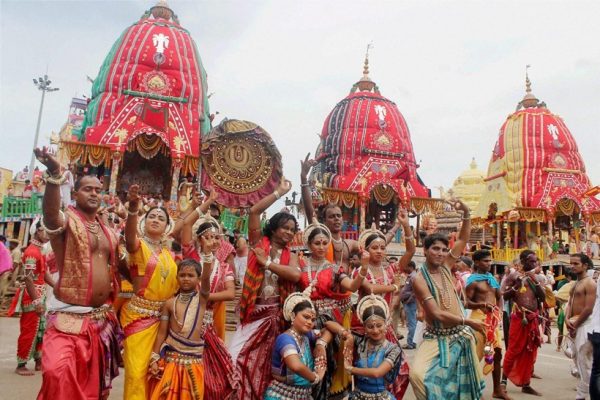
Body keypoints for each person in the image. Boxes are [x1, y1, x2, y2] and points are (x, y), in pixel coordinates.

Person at [33, 147, 122, 399]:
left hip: (101, 319)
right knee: (56, 374)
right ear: (75, 193)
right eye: (87, 189)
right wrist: (54, 174)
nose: (94, 193)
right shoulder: (68, 222)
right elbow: (50, 216)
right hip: (68, 318)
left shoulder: (108, 230)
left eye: (97, 190)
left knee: (91, 388)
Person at [229, 178, 301, 400]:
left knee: (268, 364)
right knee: (236, 357)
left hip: (276, 317)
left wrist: (267, 264)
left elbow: (296, 275)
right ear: (274, 228)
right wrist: (278, 192)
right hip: (253, 314)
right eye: (284, 228)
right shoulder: (259, 243)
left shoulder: (292, 255)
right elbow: (254, 212)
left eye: (292, 229)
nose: (289, 233)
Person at [409, 199, 486, 400]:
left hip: (460, 335)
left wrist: (467, 212)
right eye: (435, 249)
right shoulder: (419, 278)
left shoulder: (446, 266)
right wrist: (468, 321)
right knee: (417, 375)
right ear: (425, 250)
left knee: (462, 385)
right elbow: (434, 313)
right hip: (436, 336)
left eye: (444, 250)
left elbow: (462, 240)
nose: (441, 253)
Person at [119, 184, 179, 400]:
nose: (155, 220)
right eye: (152, 216)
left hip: (164, 321)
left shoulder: (170, 255)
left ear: (166, 226)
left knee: (157, 372)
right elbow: (129, 238)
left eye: (160, 218)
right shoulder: (138, 246)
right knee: (136, 373)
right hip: (138, 318)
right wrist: (134, 210)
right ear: (144, 223)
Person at [297, 220, 367, 399]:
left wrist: (364, 268)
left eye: (324, 243)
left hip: (330, 317)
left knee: (324, 351)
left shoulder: (335, 269)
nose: (321, 247)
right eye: (316, 243)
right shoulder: (301, 267)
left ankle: (324, 392)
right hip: (306, 317)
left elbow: (351, 285)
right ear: (309, 244)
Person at [181, 193, 238, 400]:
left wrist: (205, 296)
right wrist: (207, 202)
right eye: (209, 236)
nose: (214, 241)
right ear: (198, 238)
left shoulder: (223, 267)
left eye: (217, 237)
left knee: (210, 375)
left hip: (207, 324)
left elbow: (231, 293)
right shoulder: (191, 256)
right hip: (183, 322)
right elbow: (187, 223)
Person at [300, 154, 402, 268]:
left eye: (338, 216)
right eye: (332, 216)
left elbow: (377, 243)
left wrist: (397, 225)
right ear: (324, 221)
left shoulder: (349, 244)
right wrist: (304, 179)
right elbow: (310, 213)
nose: (336, 219)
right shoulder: (322, 242)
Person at [351, 213, 414, 398]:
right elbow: (370, 288)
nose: (379, 251)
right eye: (374, 248)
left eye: (382, 248)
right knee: (365, 369)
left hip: (385, 327)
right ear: (365, 250)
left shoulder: (390, 269)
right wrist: (395, 286)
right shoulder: (360, 271)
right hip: (365, 328)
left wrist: (406, 226)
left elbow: (410, 252)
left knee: (400, 370)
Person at [148, 257, 213, 400]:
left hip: (193, 361)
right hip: (172, 359)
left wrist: (207, 256)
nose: (186, 279)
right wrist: (154, 357)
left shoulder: (201, 300)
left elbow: (207, 280)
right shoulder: (169, 304)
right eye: (182, 275)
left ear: (198, 279)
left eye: (191, 276)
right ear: (177, 277)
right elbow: (162, 333)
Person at [263, 291, 330, 399]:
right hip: (281, 395)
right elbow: (296, 366)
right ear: (293, 315)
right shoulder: (285, 338)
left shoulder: (306, 336)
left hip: (303, 395)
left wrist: (320, 345)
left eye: (312, 320)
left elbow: (328, 329)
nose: (310, 322)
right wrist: (315, 378)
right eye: (306, 317)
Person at [7, 222, 53, 376]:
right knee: (29, 329)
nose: (47, 234)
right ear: (36, 232)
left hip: (40, 295)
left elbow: (44, 273)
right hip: (32, 296)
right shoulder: (32, 252)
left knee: (40, 330)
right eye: (44, 231)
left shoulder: (40, 251)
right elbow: (28, 279)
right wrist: (36, 301)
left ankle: (38, 361)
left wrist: (57, 286)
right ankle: (21, 364)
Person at [464, 249, 511, 399]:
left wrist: (499, 312)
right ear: (477, 262)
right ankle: (474, 391)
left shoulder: (492, 279)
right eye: (486, 261)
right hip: (478, 319)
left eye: (490, 260)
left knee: (497, 354)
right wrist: (482, 305)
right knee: (476, 356)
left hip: (493, 320)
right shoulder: (473, 281)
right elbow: (466, 303)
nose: (489, 263)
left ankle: (497, 390)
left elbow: (499, 298)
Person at [502, 250, 546, 396]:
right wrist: (516, 286)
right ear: (523, 261)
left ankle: (526, 384)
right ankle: (502, 384)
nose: (534, 264)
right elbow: (504, 296)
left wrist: (536, 281)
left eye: (535, 261)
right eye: (531, 261)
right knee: (513, 350)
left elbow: (542, 297)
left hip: (533, 318)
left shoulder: (535, 277)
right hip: (519, 318)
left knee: (530, 351)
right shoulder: (514, 276)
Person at [343, 295, 404, 400]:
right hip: (357, 395)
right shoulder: (360, 341)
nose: (375, 331)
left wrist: (350, 369)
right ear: (364, 327)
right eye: (370, 327)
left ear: (386, 324)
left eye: (379, 325)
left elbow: (377, 373)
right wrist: (347, 335)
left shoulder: (393, 349)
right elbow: (330, 323)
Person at [565, 253, 596, 400]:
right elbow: (570, 302)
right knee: (578, 360)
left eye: (576, 263)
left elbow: (588, 308)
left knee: (584, 361)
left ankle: (583, 395)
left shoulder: (590, 283)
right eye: (571, 263)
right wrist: (566, 319)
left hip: (585, 324)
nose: (573, 266)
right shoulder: (577, 282)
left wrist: (576, 325)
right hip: (574, 324)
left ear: (585, 265)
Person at [400, 261, 418, 349]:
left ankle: (411, 343)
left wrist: (408, 300)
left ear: (410, 266)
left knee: (411, 323)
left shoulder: (413, 277)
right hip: (409, 302)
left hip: (410, 303)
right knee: (411, 323)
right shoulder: (411, 276)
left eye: (406, 266)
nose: (404, 268)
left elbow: (415, 292)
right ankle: (412, 342)